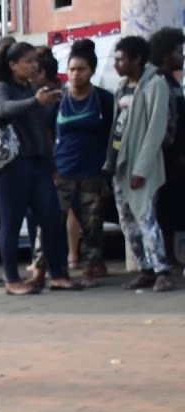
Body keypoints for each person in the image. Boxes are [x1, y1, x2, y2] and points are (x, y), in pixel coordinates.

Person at [0, 40, 86, 295]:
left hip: (38, 163)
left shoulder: (31, 88)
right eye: (28, 61)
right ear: (12, 64)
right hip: (11, 166)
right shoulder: (1, 87)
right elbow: (1, 109)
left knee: (51, 218)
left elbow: (42, 132)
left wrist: (52, 164)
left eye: (35, 61)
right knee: (11, 222)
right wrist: (35, 102)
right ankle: (12, 279)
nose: (33, 66)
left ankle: (58, 274)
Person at [107, 34, 174, 292]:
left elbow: (155, 130)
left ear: (137, 59)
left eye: (122, 59)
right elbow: (116, 129)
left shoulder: (154, 84)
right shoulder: (122, 89)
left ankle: (162, 271)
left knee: (146, 218)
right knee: (127, 222)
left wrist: (141, 168)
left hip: (140, 165)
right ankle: (144, 268)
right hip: (120, 164)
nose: (117, 65)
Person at [50, 40, 115, 283]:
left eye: (81, 69)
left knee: (92, 221)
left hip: (93, 170)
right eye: (72, 69)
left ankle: (93, 263)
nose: (76, 74)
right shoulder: (58, 101)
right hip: (62, 170)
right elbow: (48, 134)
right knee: (54, 218)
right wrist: (51, 166)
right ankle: (53, 265)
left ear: (92, 71)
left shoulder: (104, 99)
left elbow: (114, 134)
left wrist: (109, 163)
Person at [150, 27, 185, 271]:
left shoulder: (172, 79)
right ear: (165, 53)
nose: (181, 56)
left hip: (176, 152)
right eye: (178, 51)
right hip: (167, 153)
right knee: (165, 207)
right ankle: (167, 256)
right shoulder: (158, 80)